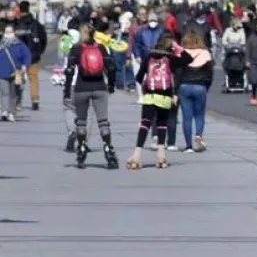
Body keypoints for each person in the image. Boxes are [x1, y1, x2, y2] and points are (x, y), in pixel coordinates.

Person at [127, 33, 194, 169]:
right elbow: (189, 58)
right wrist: (177, 47)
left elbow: (139, 77)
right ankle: (161, 156)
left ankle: (136, 155)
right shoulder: (171, 59)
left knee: (145, 125)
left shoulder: (149, 57)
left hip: (150, 97)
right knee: (162, 125)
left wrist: (146, 86)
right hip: (165, 98)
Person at [63, 23, 118, 169]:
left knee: (81, 121)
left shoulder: (76, 48)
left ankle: (81, 148)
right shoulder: (100, 48)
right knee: (103, 122)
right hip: (100, 88)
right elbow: (111, 67)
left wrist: (67, 91)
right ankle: (108, 150)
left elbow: (69, 71)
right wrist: (111, 85)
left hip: (81, 88)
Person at [176, 30, 214, 153]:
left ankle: (188, 146)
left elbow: (178, 73)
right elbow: (210, 74)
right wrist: (206, 87)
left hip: (184, 86)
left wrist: (176, 90)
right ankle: (198, 135)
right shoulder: (205, 53)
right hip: (200, 86)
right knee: (199, 115)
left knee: (186, 117)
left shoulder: (181, 53)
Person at [13, 1, 47, 111]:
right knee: (34, 78)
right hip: (34, 55)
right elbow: (43, 39)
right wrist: (39, 51)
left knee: (19, 78)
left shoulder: (16, 25)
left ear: (20, 10)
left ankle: (18, 102)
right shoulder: (37, 24)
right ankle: (35, 99)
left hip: (19, 57)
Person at [0, 24, 29, 122]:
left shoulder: (19, 44)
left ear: (14, 33)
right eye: (6, 32)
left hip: (15, 72)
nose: (8, 34)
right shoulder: (1, 44)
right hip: (2, 72)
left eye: (10, 32)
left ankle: (12, 112)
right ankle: (4, 111)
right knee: (4, 92)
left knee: (13, 94)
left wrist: (25, 65)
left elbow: (27, 56)